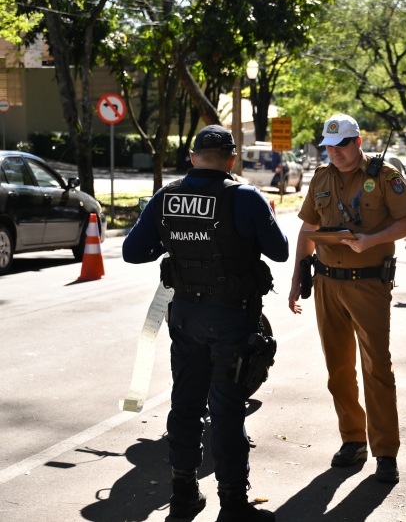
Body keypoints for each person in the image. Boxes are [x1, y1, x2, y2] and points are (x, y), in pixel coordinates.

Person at [122, 125, 289, 522]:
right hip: (232, 319)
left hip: (185, 319)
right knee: (228, 411)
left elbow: (132, 251)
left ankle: (183, 496)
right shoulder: (245, 197)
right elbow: (280, 251)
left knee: (186, 405)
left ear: (193, 157)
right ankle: (233, 506)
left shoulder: (166, 197)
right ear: (232, 160)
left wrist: (173, 239)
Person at [288, 114, 406, 483]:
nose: (335, 153)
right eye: (328, 146)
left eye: (342, 145)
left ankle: (386, 451)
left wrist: (371, 241)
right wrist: (298, 276)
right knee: (338, 370)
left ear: (358, 142)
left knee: (377, 367)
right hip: (327, 283)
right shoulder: (321, 176)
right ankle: (353, 439)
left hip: (368, 285)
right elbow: (309, 228)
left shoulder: (385, 175)